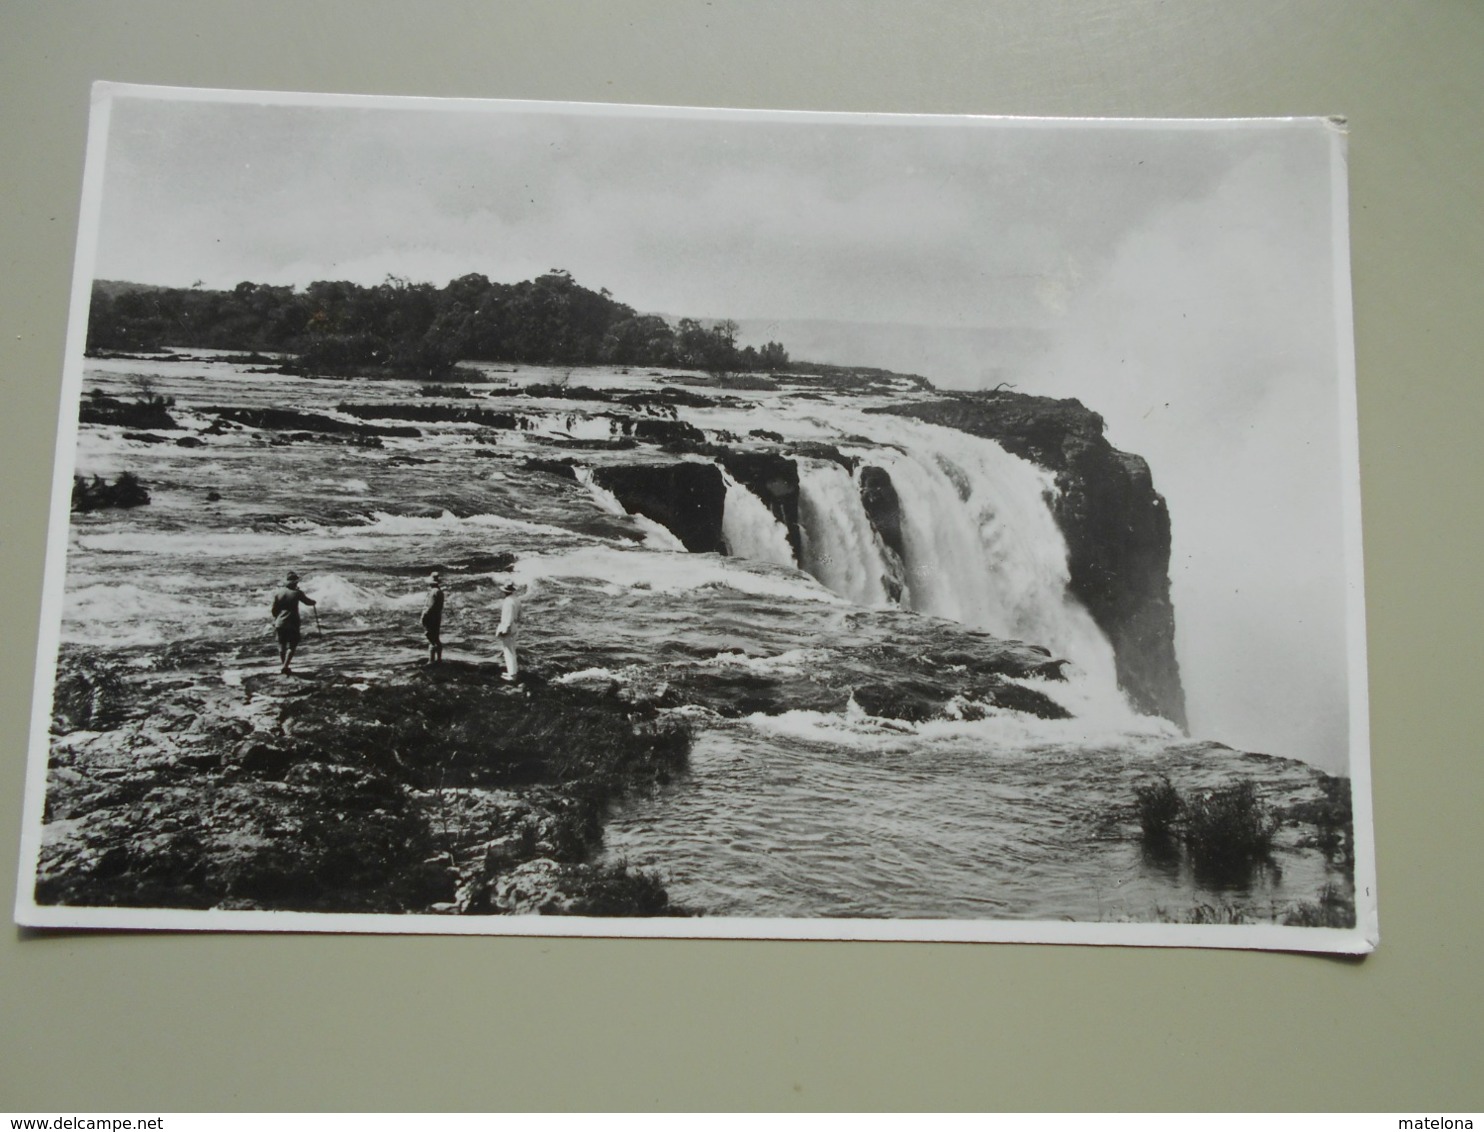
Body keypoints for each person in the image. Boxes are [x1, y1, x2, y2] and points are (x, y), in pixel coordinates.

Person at [270, 571, 317, 675]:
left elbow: (274, 610)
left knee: (282, 645)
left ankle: (284, 666)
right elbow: (308, 602)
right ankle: (285, 666)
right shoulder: (297, 593)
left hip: (279, 622)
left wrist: (277, 618)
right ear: (295, 583)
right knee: (292, 645)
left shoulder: (278, 593)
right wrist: (314, 602)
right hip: (292, 622)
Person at [494, 580, 522, 682]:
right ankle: (513, 672)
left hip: (509, 628)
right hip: (515, 627)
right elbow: (519, 616)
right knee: (512, 650)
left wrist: (505, 630)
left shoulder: (508, 602)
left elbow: (508, 618)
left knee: (508, 651)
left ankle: (512, 674)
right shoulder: (516, 600)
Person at [420, 571, 445, 665]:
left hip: (431, 617)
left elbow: (430, 607)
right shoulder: (439, 592)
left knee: (431, 639)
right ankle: (438, 659)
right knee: (436, 638)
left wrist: (424, 616)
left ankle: (431, 660)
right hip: (437, 617)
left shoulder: (433, 592)